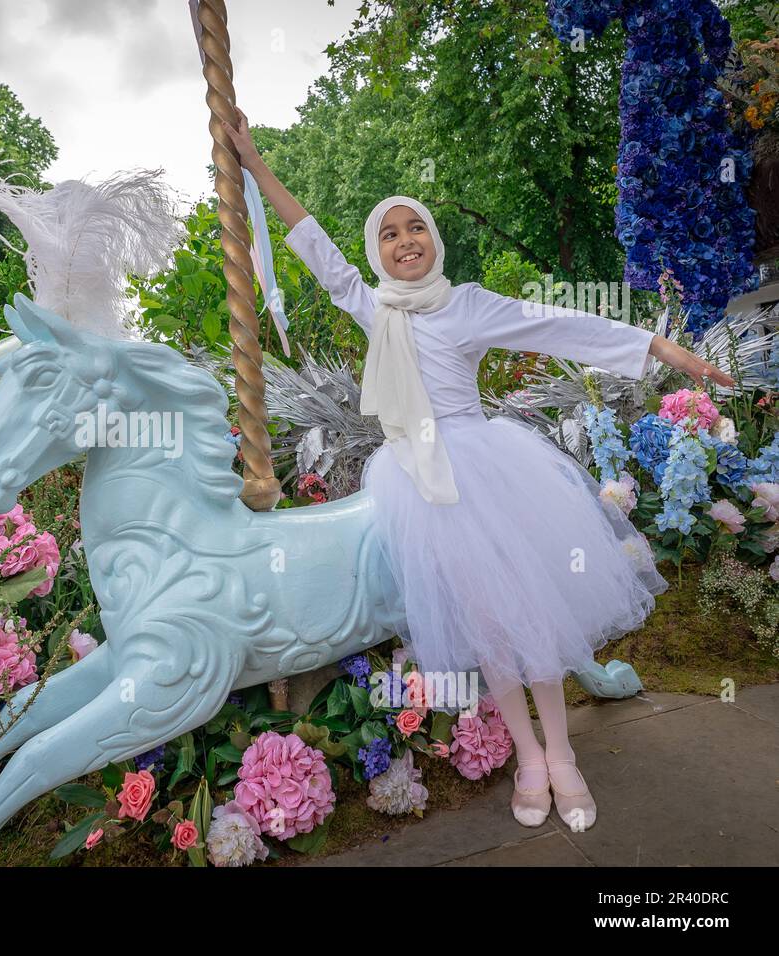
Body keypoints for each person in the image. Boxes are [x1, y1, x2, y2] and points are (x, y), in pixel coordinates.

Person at [223, 108, 733, 831]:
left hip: (485, 467)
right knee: (490, 625)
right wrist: (252, 161)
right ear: (377, 250)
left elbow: (558, 324)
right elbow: (314, 247)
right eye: (390, 233)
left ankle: (562, 754)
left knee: (531, 613)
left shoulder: (468, 305)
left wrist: (660, 347)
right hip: (419, 487)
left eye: (416, 227)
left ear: (435, 237)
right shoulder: (376, 310)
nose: (405, 241)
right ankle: (526, 755)